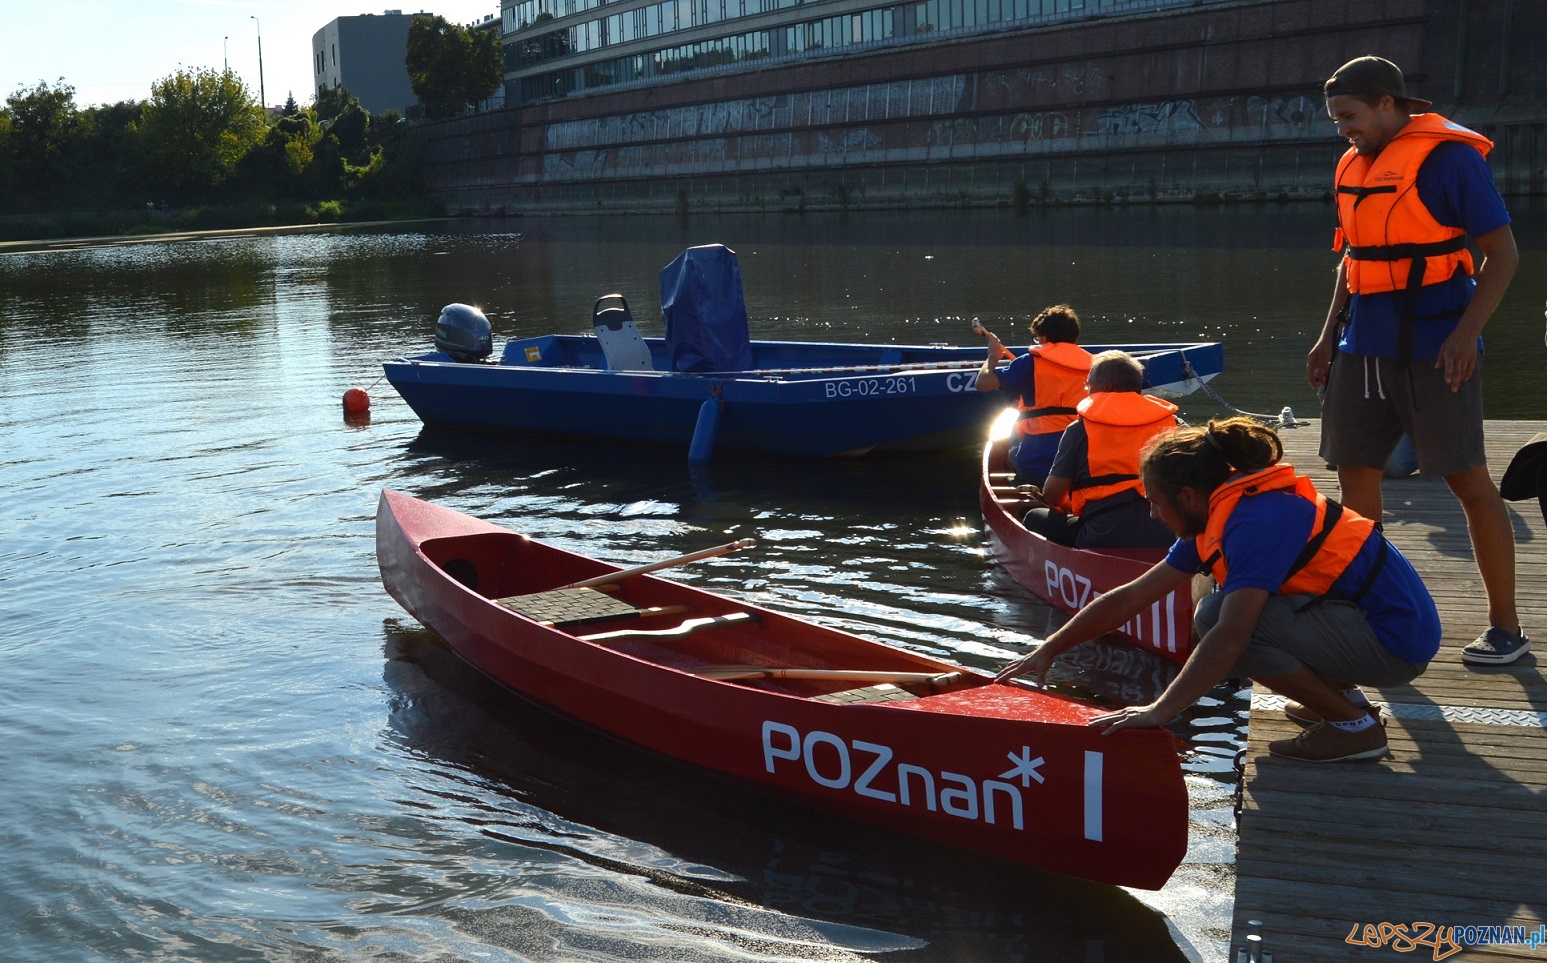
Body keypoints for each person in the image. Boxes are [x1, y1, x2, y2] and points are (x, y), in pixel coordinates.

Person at [996, 417, 1441, 763]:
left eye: (1154, 500)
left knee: (1217, 620)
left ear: (1188, 496)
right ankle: (1340, 698)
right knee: (1217, 613)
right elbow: (1133, 596)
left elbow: (1232, 637)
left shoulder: (1254, 521)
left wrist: (1159, 711)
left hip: (1394, 645)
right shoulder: (1221, 512)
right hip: (1362, 625)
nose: (1151, 514)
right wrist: (1050, 649)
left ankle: (1354, 728)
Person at [1309, 55, 1525, 665]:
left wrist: (1466, 334)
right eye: (1335, 120)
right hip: (1360, 346)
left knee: (1468, 481)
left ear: (1388, 103)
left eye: (1349, 116)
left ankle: (1505, 627)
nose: (1342, 130)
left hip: (1435, 347)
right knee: (1354, 480)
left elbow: (1503, 256)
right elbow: (1354, 261)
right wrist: (1327, 337)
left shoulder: (1449, 160)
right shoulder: (1354, 162)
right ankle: (1369, 612)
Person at [1020, 350, 1179, 549]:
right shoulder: (1173, 423)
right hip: (1167, 536)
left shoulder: (1080, 429)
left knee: (1034, 517)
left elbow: (1052, 495)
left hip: (1102, 537)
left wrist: (1071, 506)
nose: (1086, 390)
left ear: (1106, 386)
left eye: (1088, 384)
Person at [975, 305, 1093, 485]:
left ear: (1044, 337)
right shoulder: (1096, 365)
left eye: (1037, 338)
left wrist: (992, 356)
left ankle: (1023, 479)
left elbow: (983, 383)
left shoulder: (1029, 362)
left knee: (1011, 426)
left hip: (1037, 465)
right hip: (1083, 466)